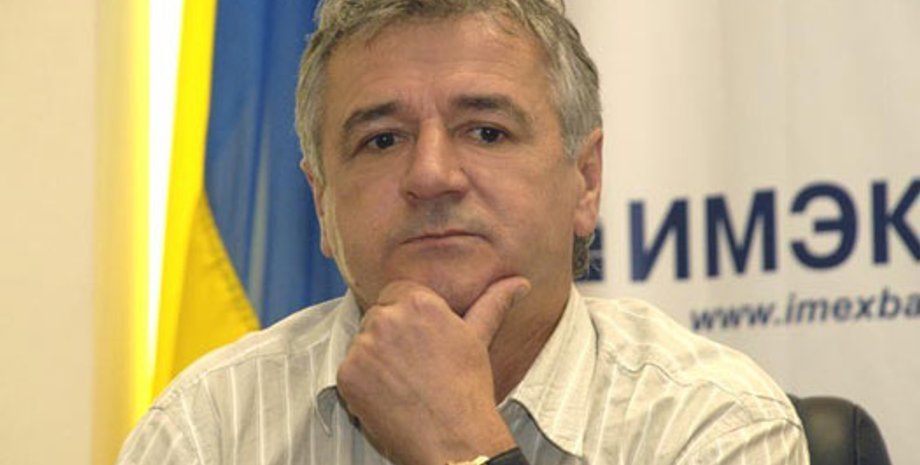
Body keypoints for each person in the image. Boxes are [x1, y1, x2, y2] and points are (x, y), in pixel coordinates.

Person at [117, 1, 809, 464]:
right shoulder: (207, 429)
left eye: (486, 131)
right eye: (382, 139)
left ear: (586, 180)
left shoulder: (712, 424)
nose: (432, 175)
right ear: (322, 202)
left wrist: (461, 448)